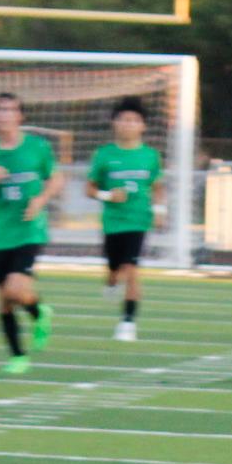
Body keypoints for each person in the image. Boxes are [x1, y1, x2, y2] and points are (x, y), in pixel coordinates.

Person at [0, 92, 62, 375]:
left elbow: (55, 179)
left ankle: (40, 312)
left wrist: (41, 201)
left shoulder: (37, 148)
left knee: (16, 288)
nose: (3, 115)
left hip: (29, 230)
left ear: (21, 116)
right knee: (5, 300)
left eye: (9, 110)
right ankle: (18, 355)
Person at [86, 96, 164, 341]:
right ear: (114, 123)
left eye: (134, 120)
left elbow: (158, 186)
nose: (128, 124)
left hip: (139, 220)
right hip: (113, 222)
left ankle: (128, 321)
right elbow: (89, 188)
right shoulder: (104, 154)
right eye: (123, 120)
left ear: (143, 126)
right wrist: (108, 194)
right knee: (114, 269)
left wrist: (160, 211)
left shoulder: (150, 155)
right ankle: (111, 283)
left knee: (131, 268)